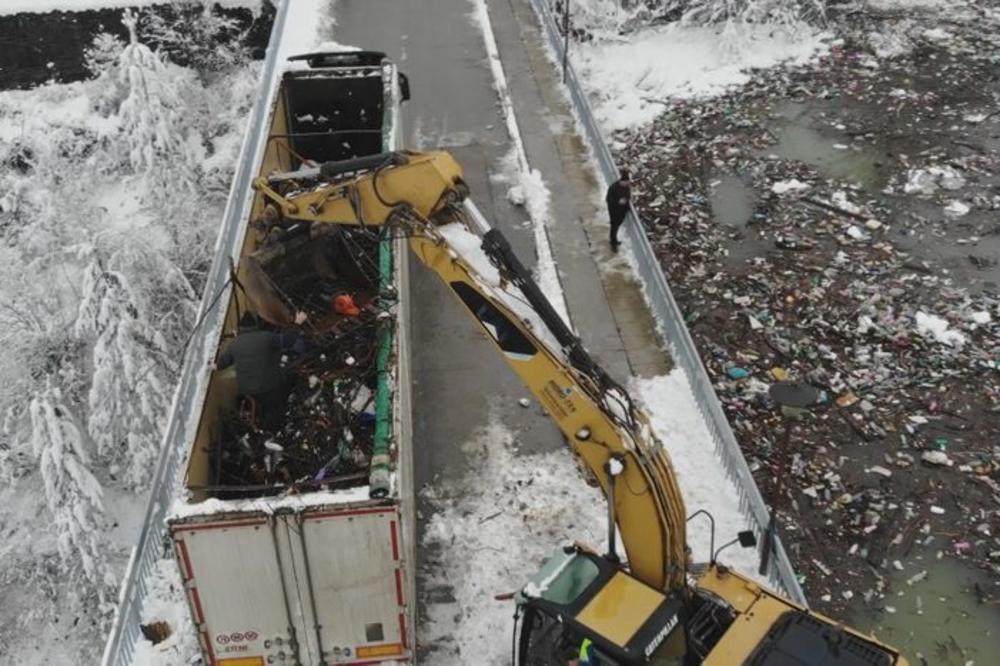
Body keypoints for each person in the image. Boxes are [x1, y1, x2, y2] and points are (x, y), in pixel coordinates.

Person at [216, 311, 306, 430]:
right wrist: (297, 323)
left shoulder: (234, 344)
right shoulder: (266, 337)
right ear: (256, 325)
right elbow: (288, 341)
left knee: (265, 405)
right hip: (269, 385)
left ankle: (263, 428)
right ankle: (277, 429)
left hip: (247, 390)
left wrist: (213, 365)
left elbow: (222, 364)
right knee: (289, 378)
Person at [606, 168, 631, 253]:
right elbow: (609, 199)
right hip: (614, 210)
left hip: (621, 211)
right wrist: (618, 202)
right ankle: (613, 243)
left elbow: (628, 197)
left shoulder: (626, 188)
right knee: (614, 226)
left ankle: (614, 240)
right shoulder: (614, 188)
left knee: (616, 226)